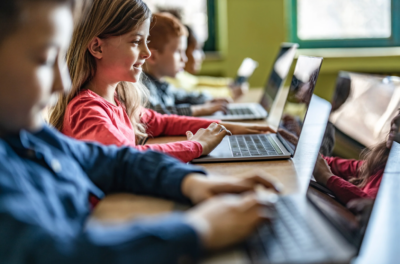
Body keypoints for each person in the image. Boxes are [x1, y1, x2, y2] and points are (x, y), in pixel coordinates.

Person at [0, 0, 282, 262]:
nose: (62, 83)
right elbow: (56, 255)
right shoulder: (79, 111)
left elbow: (117, 161)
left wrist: (192, 182)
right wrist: (197, 228)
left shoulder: (29, 135)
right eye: (46, 59)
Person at [49, 1, 273, 163]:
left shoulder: (120, 100)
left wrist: (228, 129)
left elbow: (164, 123)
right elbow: (127, 160)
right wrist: (198, 145)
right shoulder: (87, 110)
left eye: (146, 41)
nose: (147, 53)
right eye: (136, 42)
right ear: (97, 47)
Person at [143, 12, 235, 117]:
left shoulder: (162, 84)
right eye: (178, 52)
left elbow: (182, 96)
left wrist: (208, 100)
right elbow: (156, 113)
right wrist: (200, 110)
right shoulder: (142, 87)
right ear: (152, 56)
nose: (184, 59)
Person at [313, 111, 400, 205]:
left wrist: (327, 177)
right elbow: (338, 165)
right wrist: (308, 152)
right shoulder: (384, 160)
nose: (396, 119)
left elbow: (372, 207)